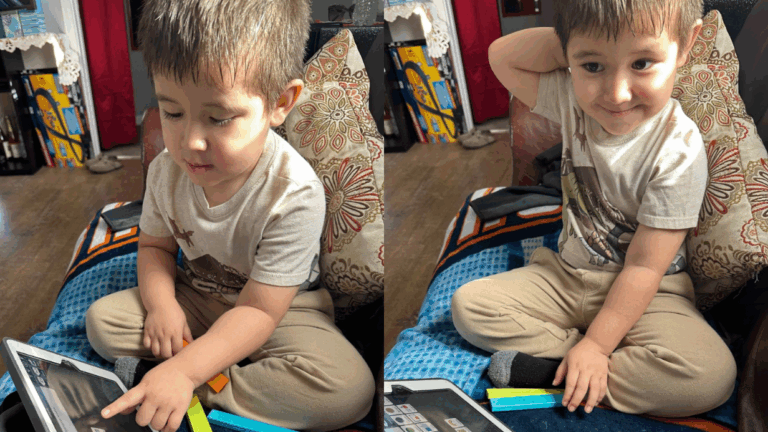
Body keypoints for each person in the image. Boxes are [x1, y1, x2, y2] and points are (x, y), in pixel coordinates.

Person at [84, 1, 375, 431]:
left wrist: (185, 371)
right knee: (104, 323)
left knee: (348, 391)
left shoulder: (294, 193)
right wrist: (162, 305)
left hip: (281, 311)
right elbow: (155, 247)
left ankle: (173, 383)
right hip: (198, 298)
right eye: (172, 112)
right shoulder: (167, 170)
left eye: (218, 118)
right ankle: (185, 378)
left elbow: (259, 310)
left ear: (280, 103)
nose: (190, 142)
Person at [451, 0, 737, 418]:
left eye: (642, 62)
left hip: (650, 292)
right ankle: (580, 367)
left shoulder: (679, 148)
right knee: (469, 307)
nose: (617, 94)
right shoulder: (572, 100)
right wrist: (575, 42)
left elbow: (644, 268)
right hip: (565, 277)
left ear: (685, 44)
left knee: (710, 377)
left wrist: (598, 344)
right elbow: (501, 56)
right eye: (593, 67)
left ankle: (558, 370)